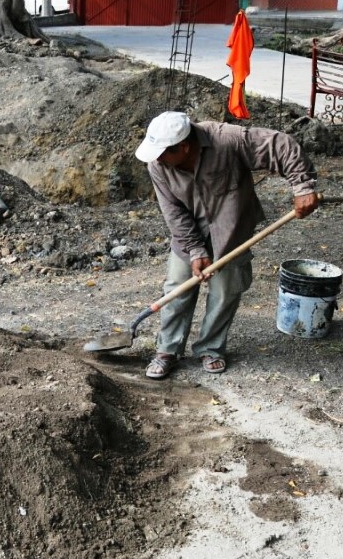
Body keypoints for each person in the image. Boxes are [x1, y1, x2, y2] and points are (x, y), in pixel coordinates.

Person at [135, 111, 319, 380]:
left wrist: (302, 186)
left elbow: (280, 145)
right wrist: (196, 250)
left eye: (164, 153)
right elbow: (173, 212)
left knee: (225, 292)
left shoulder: (227, 140)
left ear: (184, 146)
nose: (158, 158)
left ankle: (210, 348)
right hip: (188, 234)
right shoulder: (157, 165)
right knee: (176, 290)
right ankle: (167, 350)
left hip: (232, 231)